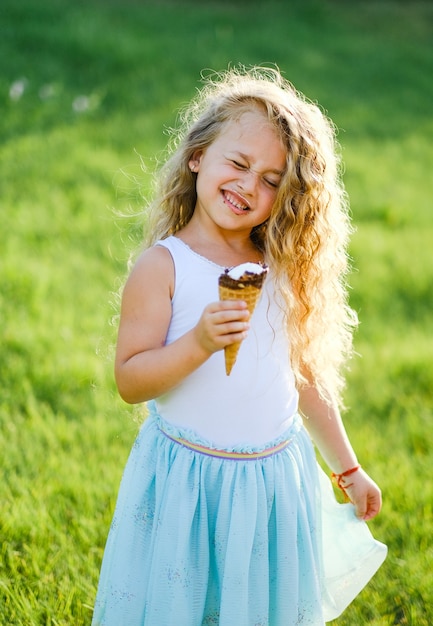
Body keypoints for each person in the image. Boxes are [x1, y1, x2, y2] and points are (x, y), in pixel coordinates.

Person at [92, 66, 383, 626]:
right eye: (239, 163)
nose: (251, 186)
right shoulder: (164, 267)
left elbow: (302, 379)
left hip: (273, 484)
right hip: (190, 484)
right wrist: (199, 341)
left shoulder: (280, 269)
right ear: (198, 155)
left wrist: (348, 469)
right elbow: (130, 380)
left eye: (274, 180)